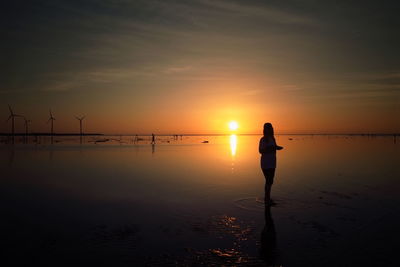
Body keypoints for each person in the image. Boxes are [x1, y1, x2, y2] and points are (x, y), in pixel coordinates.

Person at [259, 123, 283, 206]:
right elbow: (260, 151)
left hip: (272, 162)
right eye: (267, 128)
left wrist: (277, 147)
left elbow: (274, 147)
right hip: (265, 163)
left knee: (270, 181)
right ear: (265, 130)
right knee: (268, 180)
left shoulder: (273, 138)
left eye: (270, 128)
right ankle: (267, 198)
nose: (269, 129)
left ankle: (267, 197)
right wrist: (270, 148)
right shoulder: (263, 139)